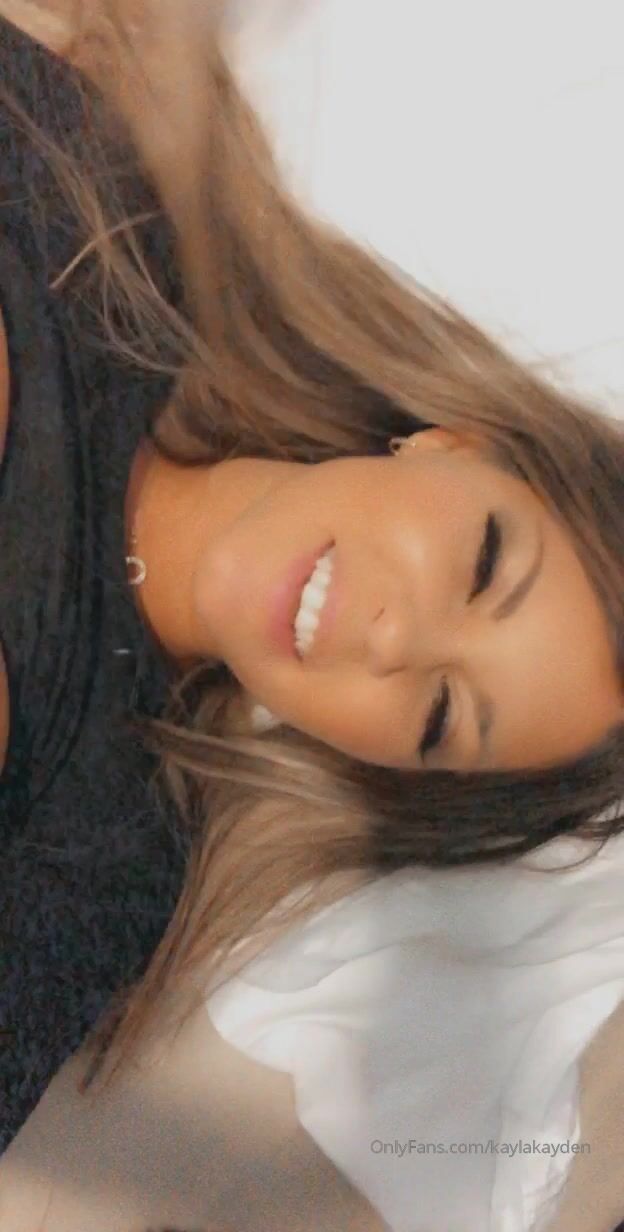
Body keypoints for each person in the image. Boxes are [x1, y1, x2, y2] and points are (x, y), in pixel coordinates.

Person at [2, 2, 624, 1223]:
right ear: (451, 442)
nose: (393, 638)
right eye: (481, 565)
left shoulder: (112, 851)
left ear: (382, 766)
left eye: (440, 715)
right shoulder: (110, 214)